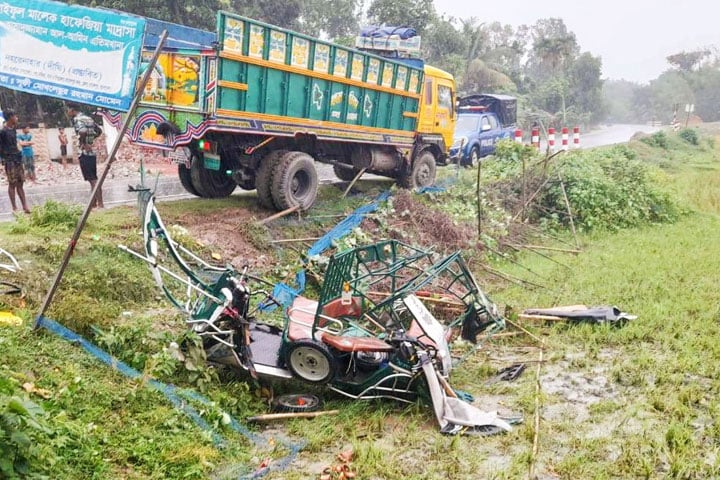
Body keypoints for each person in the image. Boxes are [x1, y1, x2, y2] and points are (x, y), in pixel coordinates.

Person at [67, 103, 104, 208]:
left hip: (84, 152)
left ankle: (100, 204)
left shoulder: (77, 119)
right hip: (92, 152)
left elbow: (82, 131)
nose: (68, 112)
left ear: (72, 109)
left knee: (93, 180)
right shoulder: (88, 118)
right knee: (92, 178)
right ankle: (93, 203)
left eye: (68, 110)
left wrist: (84, 143)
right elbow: (99, 131)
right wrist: (91, 140)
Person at [0, 110, 31, 214]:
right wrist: (4, 158)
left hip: (18, 159)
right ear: (10, 118)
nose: (17, 118)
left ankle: (25, 206)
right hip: (10, 160)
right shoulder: (3, 132)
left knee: (20, 182)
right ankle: (14, 207)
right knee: (12, 183)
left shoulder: (13, 130)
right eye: (15, 116)